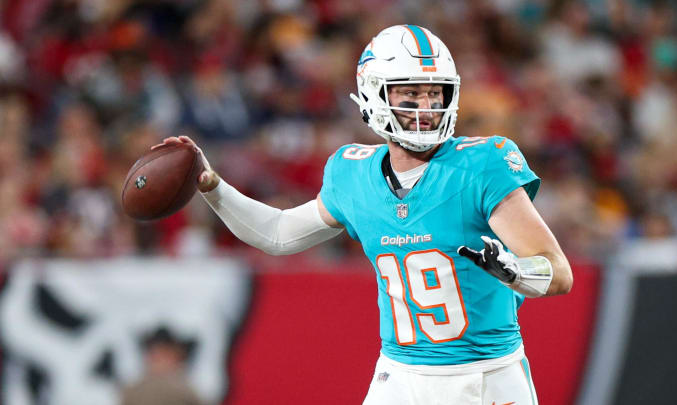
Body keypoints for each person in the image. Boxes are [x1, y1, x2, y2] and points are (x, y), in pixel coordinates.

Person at [155, 25, 572, 405]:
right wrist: (213, 186)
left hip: (484, 377)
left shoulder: (481, 164)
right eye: (410, 94)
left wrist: (516, 270)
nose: (426, 107)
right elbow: (280, 235)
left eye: (435, 94)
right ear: (374, 94)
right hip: (399, 377)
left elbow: (559, 272)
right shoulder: (352, 173)